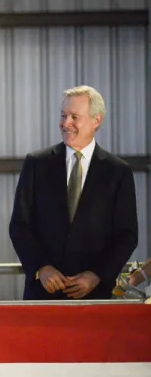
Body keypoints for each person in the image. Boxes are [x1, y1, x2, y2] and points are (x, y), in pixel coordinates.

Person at [9, 85, 138, 300]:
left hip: (95, 297)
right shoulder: (36, 164)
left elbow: (127, 235)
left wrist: (97, 275)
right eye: (63, 115)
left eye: (74, 117)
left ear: (96, 120)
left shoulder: (118, 171)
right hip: (43, 294)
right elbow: (20, 225)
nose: (65, 123)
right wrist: (41, 268)